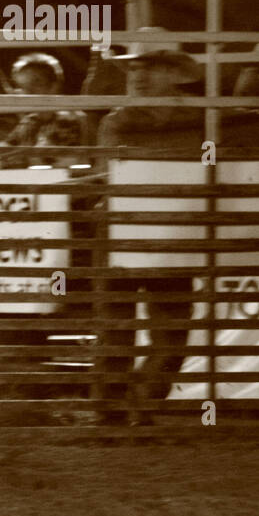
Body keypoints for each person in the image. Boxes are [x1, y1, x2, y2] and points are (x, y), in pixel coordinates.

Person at [95, 42, 204, 424]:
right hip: (124, 233)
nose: (138, 76)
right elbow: (109, 172)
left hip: (174, 234)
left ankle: (141, 402)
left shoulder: (205, 117)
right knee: (116, 329)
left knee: (171, 332)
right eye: (133, 69)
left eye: (151, 68)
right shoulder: (117, 120)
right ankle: (112, 410)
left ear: (174, 74)